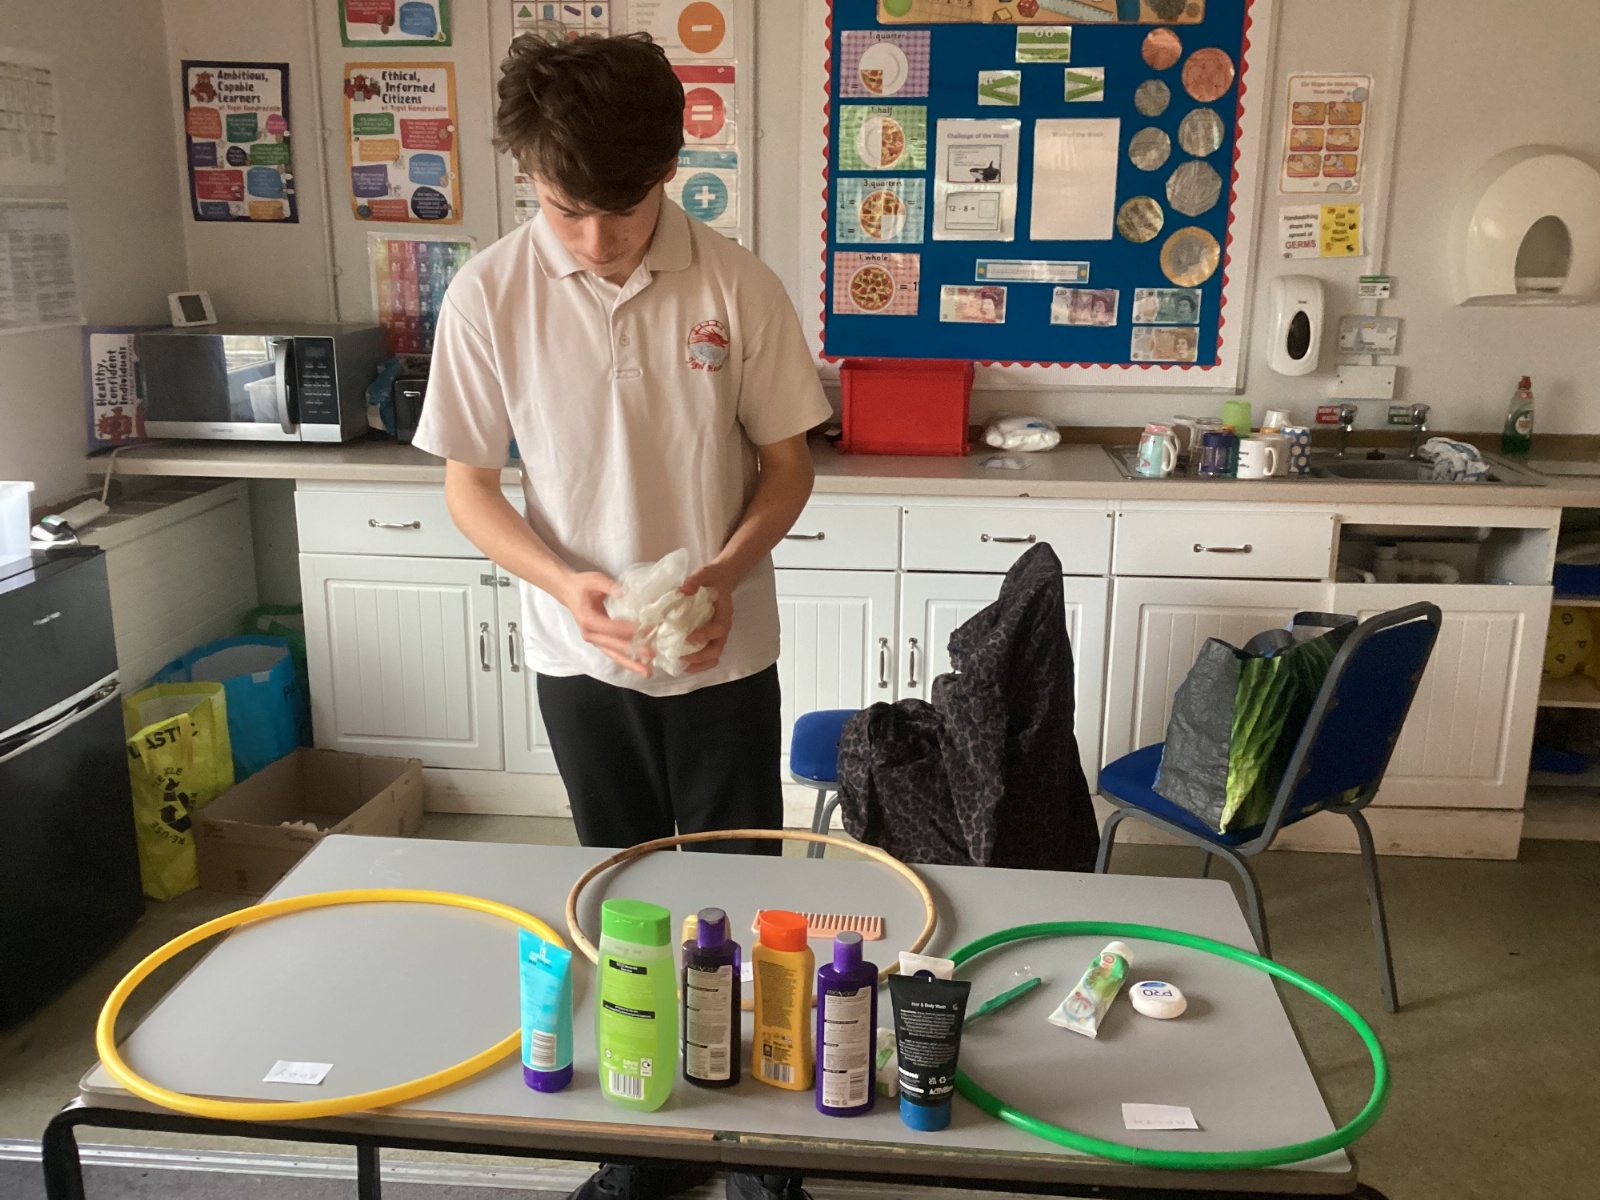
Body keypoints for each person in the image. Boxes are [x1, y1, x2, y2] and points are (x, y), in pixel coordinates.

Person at [411, 31, 830, 1200]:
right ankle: (642, 1139)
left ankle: (757, 1144)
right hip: (577, 657)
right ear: (527, 177)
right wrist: (564, 586)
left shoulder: (737, 285)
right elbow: (468, 487)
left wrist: (725, 573)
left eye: (625, 208)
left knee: (743, 902)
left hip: (724, 656)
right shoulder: (489, 294)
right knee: (620, 898)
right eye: (565, 209)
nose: (597, 241)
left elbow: (787, 465)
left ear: (670, 169)